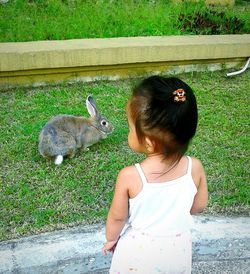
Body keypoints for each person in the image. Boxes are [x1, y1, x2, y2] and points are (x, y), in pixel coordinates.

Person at [102, 76, 208, 274]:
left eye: (130, 128)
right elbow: (199, 205)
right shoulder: (195, 167)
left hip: (138, 255)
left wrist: (111, 239)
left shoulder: (130, 176)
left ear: (149, 142)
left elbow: (117, 218)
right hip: (177, 252)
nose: (128, 133)